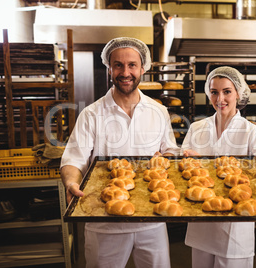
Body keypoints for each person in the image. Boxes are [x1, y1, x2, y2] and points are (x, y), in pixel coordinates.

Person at [60, 37, 179, 268]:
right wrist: (71, 183)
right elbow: (73, 159)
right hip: (104, 224)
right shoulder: (91, 114)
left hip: (152, 220)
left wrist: (166, 160)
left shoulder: (159, 111)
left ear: (143, 68)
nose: (126, 72)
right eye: (118, 65)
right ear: (109, 69)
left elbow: (171, 152)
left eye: (132, 65)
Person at [181, 66, 256, 268]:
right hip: (201, 221)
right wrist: (187, 158)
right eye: (214, 92)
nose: (219, 98)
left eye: (227, 91)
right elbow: (183, 164)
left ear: (238, 94)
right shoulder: (197, 128)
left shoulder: (252, 133)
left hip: (236, 226)